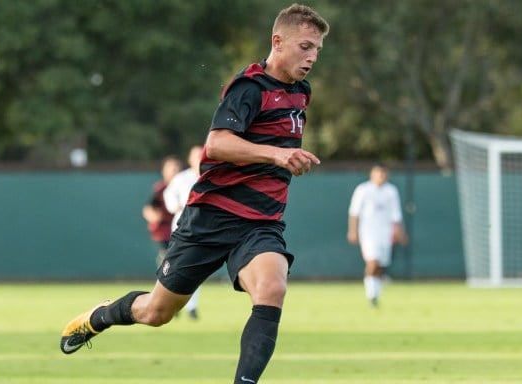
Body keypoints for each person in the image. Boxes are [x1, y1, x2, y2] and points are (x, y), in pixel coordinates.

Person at [59, 4, 329, 383]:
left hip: (261, 224)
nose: (312, 56)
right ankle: (99, 316)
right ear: (277, 42)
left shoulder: (302, 93)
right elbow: (217, 144)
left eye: (317, 49)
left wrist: (286, 159)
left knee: (272, 287)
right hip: (209, 219)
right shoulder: (249, 88)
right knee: (157, 313)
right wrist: (278, 154)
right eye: (305, 46)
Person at [347, 164, 408, 307]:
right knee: (372, 262)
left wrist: (399, 232)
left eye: (383, 173)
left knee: (380, 265)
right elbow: (354, 212)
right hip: (368, 232)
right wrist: (353, 230)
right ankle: (371, 294)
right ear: (372, 174)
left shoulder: (391, 191)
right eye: (378, 173)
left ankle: (376, 293)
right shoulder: (363, 190)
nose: (381, 176)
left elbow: (396, 215)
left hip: (385, 233)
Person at [163, 145, 203, 320]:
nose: (199, 159)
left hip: (204, 230)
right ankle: (171, 303)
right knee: (175, 267)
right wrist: (175, 206)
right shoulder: (182, 178)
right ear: (189, 159)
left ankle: (191, 307)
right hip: (183, 229)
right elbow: (169, 195)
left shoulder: (212, 176)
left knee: (197, 269)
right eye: (195, 156)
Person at [142, 155, 182, 268]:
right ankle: (165, 278)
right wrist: (153, 215)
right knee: (167, 256)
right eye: (170, 168)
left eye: (176, 167)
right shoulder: (160, 188)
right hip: (164, 229)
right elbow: (148, 208)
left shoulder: (184, 186)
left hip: (181, 229)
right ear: (163, 170)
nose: (174, 171)